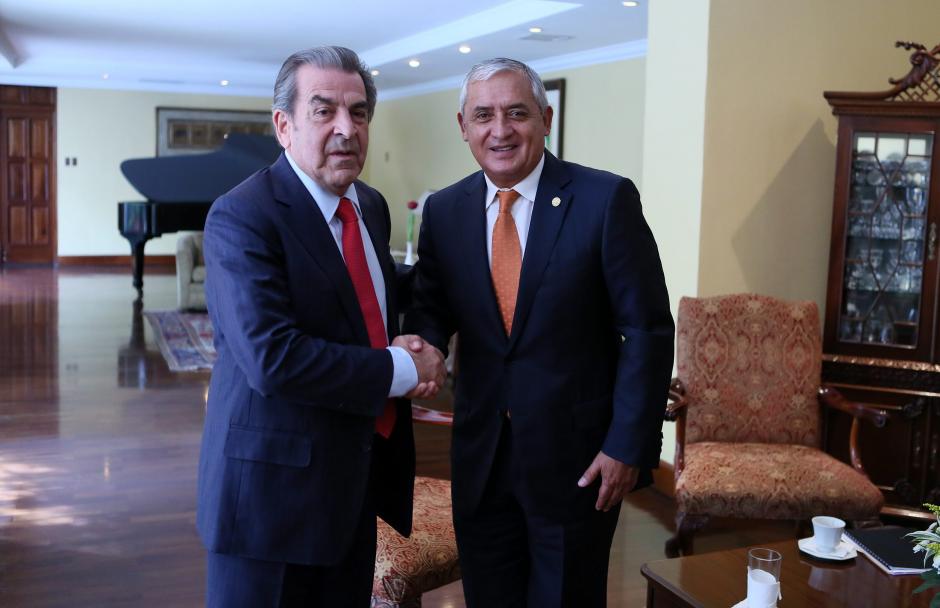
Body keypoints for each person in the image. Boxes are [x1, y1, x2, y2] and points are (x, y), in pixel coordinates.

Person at [405, 57, 674, 607]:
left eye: (516, 113)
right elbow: (431, 310)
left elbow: (646, 331)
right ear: (463, 126)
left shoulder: (604, 201)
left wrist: (628, 445)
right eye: (483, 115)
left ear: (546, 119)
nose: (499, 130)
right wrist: (420, 345)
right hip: (481, 460)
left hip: (578, 465)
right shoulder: (446, 210)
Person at [197, 46, 445, 608]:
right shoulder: (243, 215)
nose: (345, 128)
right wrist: (405, 367)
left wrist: (413, 328)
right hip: (269, 505)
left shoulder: (371, 206)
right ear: (283, 125)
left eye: (358, 112)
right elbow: (273, 357)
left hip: (353, 487)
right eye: (324, 110)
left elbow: (364, 296)